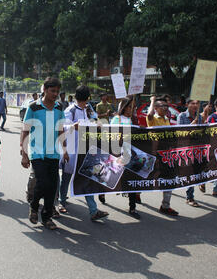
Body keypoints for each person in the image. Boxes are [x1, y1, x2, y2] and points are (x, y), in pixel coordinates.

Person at [20, 77, 69, 230]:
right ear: (45, 90)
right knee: (43, 182)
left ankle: (46, 217)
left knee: (53, 186)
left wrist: (65, 149)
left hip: (53, 153)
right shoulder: (34, 107)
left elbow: (61, 130)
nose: (55, 94)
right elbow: (25, 130)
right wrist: (24, 152)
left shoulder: (59, 108)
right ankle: (34, 206)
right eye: (52, 91)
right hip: (37, 152)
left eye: (57, 91)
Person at [59, 85, 109, 221]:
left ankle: (93, 210)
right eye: (84, 100)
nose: (84, 102)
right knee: (66, 178)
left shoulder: (89, 110)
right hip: (72, 150)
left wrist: (99, 124)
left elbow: (96, 120)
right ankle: (61, 201)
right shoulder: (70, 110)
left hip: (85, 150)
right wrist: (72, 126)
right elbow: (62, 127)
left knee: (87, 178)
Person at [110, 95, 142, 219]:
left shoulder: (132, 120)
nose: (131, 109)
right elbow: (111, 136)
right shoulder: (117, 119)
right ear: (123, 107)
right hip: (119, 155)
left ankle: (132, 207)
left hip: (131, 155)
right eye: (129, 107)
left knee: (132, 180)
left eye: (132, 107)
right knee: (113, 178)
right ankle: (102, 194)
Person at [147, 95, 179, 216]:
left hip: (166, 154)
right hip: (154, 154)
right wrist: (152, 100)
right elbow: (149, 115)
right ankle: (136, 195)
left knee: (169, 178)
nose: (165, 108)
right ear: (156, 108)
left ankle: (165, 205)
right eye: (162, 106)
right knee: (146, 177)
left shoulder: (166, 119)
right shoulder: (152, 118)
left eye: (166, 106)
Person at [177, 98, 210, 207]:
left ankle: (201, 184)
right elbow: (180, 133)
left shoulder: (199, 117)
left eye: (197, 103)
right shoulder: (181, 116)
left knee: (198, 170)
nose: (195, 105)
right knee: (190, 172)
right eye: (192, 103)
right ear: (187, 104)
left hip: (197, 148)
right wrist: (192, 123)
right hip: (186, 149)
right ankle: (189, 197)